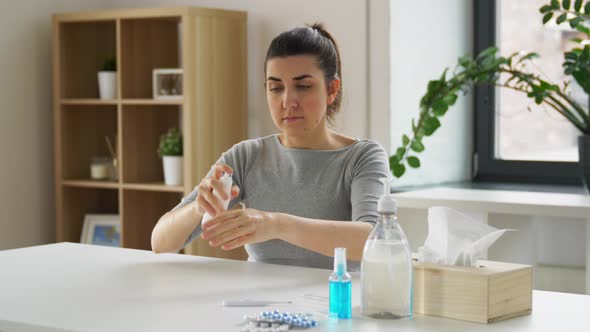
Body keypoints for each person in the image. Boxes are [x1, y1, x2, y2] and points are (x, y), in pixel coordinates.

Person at [150, 23, 390, 270]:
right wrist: (199, 207)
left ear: (331, 90)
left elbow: (374, 240)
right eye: (276, 88)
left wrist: (277, 224)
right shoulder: (247, 156)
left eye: (303, 86)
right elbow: (160, 243)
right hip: (260, 304)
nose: (288, 101)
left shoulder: (363, 157)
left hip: (335, 301)